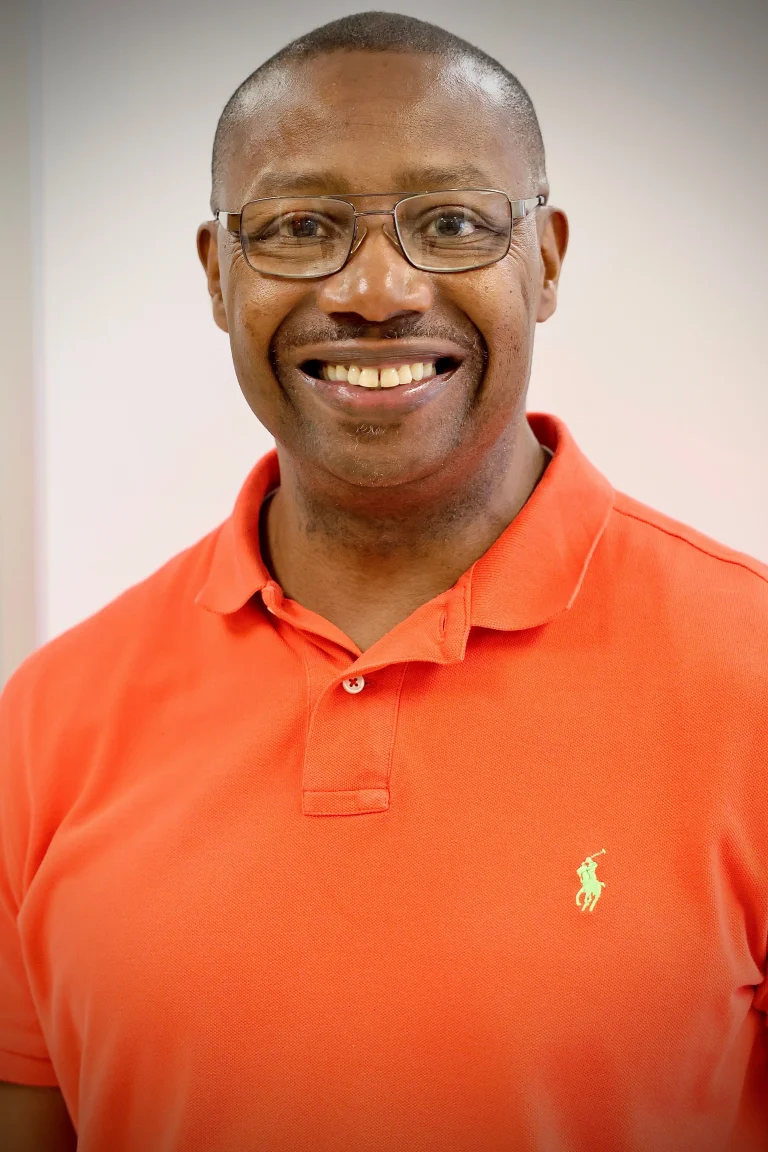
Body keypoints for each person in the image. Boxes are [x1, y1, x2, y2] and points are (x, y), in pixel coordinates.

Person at [1, 10, 766, 1151]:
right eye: (301, 227)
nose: (375, 289)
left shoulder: (752, 672)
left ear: (547, 261)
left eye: (450, 223)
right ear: (217, 276)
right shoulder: (46, 720)